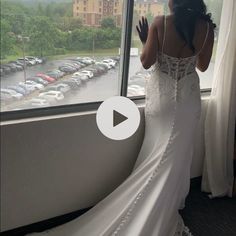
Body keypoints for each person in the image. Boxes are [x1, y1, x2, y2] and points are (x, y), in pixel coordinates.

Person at [29, 0, 215, 235]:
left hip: (162, 99)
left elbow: (147, 62)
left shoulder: (161, 23)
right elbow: (203, 66)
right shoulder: (206, 28)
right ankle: (162, 205)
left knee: (157, 153)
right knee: (175, 157)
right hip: (188, 101)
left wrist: (147, 39)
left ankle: (155, 203)